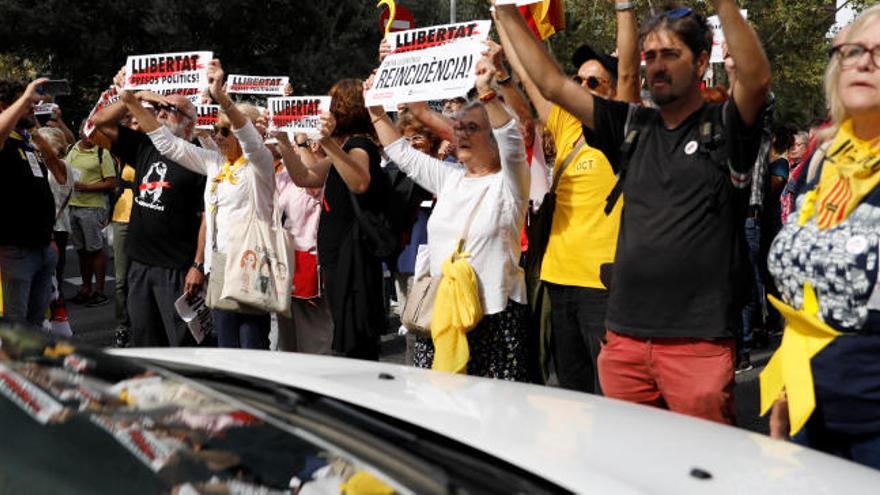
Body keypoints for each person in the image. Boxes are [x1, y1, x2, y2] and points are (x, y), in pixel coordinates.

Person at [495, 0, 770, 422]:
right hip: (623, 342)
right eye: (651, 56)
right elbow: (551, 84)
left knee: (699, 470)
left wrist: (724, 5)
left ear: (700, 63)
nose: (656, 66)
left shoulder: (724, 128)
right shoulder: (631, 127)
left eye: (671, 55)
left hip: (696, 343)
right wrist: (506, 10)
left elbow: (755, 78)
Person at [495, 0, 640, 393]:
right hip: (558, 279)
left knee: (611, 392)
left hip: (603, 284)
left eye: (595, 82)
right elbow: (532, 75)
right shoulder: (563, 123)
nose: (583, 87)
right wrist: (501, 14)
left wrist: (624, 8)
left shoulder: (623, 128)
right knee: (572, 392)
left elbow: (628, 69)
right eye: (579, 80)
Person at [763, 5, 880, 469]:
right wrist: (788, 383)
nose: (864, 62)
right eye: (854, 50)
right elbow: (804, 294)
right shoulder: (823, 161)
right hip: (810, 414)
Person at [366, 56, 531, 380]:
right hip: (441, 318)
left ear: (493, 139)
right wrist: (375, 108)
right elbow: (401, 152)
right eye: (459, 128)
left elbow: (513, 143)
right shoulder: (449, 178)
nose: (461, 135)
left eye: (472, 128)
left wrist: (487, 93)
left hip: (494, 321)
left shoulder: (510, 184)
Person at [123, 60, 275, 349]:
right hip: (219, 266)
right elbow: (167, 144)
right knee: (226, 346)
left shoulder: (259, 165)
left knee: (251, 347)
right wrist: (132, 100)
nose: (218, 136)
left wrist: (221, 98)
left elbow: (249, 139)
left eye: (226, 131)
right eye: (217, 129)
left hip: (251, 262)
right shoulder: (215, 163)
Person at [91, 70, 207, 347]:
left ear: (190, 125)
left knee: (181, 342)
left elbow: (207, 217)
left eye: (172, 109)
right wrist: (138, 97)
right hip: (140, 263)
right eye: (160, 107)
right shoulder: (145, 146)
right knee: (145, 338)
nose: (163, 111)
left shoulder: (200, 159)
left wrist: (198, 265)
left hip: (177, 268)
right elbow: (99, 122)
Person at [282, 79, 389, 360]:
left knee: (356, 342)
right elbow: (305, 177)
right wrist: (285, 142)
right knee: (346, 336)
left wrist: (327, 142)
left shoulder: (359, 145)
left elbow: (360, 183)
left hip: (353, 260)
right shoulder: (344, 150)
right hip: (338, 260)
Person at [0, 77, 65, 328]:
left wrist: (49, 240)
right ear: (5, 106)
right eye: (27, 103)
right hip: (14, 252)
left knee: (35, 324)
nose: (33, 107)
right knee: (14, 329)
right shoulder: (4, 144)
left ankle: (29, 368)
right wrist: (25, 97)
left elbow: (60, 175)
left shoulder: (27, 142)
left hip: (42, 248)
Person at [272, 132, 333, 354]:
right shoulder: (284, 175)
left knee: (312, 337)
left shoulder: (325, 171)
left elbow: (309, 179)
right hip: (285, 257)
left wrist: (299, 143)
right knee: (286, 335)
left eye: (302, 144)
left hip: (309, 258)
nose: (295, 148)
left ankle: (315, 383)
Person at [65, 125, 117, 307]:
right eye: (86, 130)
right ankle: (85, 288)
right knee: (81, 250)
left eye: (93, 131)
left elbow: (111, 182)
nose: (89, 135)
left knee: (95, 249)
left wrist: (87, 187)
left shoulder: (102, 153)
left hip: (92, 207)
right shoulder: (71, 149)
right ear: (80, 131)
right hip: (72, 205)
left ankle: (99, 291)